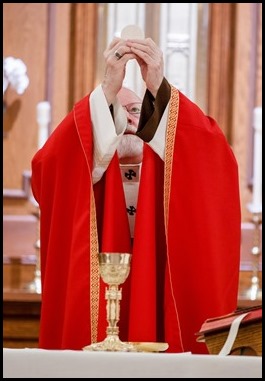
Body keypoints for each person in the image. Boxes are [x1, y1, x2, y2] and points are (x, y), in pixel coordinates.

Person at [31, 36, 241, 354]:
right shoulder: (88, 178)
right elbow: (48, 167)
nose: (130, 120)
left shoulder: (173, 177)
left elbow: (215, 162)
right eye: (117, 111)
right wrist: (106, 90)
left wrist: (159, 86)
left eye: (136, 111)